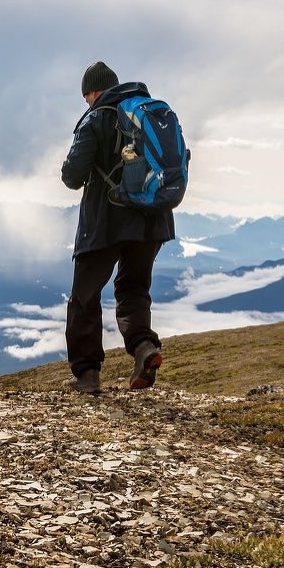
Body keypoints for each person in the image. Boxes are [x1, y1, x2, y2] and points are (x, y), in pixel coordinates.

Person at [60, 61, 175, 395]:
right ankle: (143, 349)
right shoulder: (149, 112)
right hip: (153, 219)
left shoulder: (97, 118)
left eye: (87, 97)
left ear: (94, 92)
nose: (87, 103)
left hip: (106, 221)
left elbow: (72, 176)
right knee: (133, 289)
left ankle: (87, 376)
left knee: (85, 295)